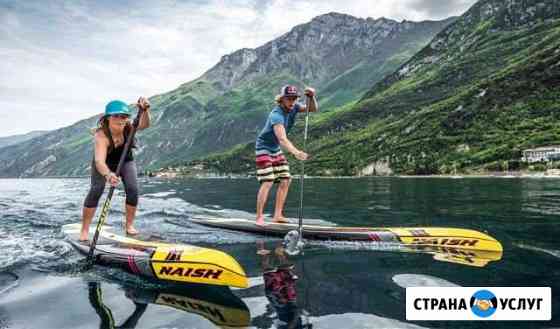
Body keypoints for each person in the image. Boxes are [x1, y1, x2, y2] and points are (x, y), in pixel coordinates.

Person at [79, 97, 151, 241]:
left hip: (125, 161)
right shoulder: (101, 135)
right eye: (116, 116)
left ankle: (129, 226)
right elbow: (99, 161)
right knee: (96, 190)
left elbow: (145, 124)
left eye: (123, 116)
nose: (120, 119)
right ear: (107, 118)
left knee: (133, 189)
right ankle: (85, 230)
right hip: (104, 163)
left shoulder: (129, 127)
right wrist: (108, 175)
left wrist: (145, 110)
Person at [255, 85, 317, 226]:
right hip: (263, 147)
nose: (292, 102)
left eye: (294, 98)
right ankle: (259, 217)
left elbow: (312, 109)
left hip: (275, 148)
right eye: (289, 99)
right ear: (282, 99)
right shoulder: (276, 115)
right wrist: (296, 153)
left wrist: (312, 97)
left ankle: (277, 215)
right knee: (268, 181)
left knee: (285, 180)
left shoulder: (294, 107)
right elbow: (282, 139)